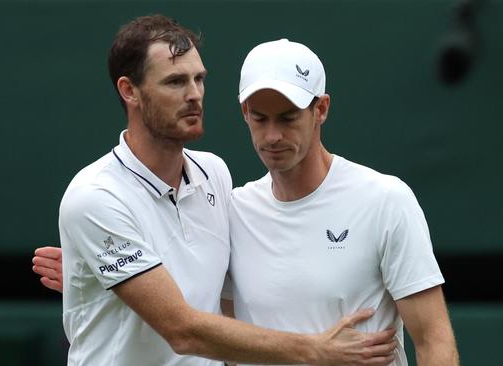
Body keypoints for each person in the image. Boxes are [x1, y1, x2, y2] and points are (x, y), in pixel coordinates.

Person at [41, 14, 398, 366]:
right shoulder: (95, 197)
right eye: (175, 82)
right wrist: (317, 349)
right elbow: (182, 330)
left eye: (199, 79)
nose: (195, 95)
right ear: (129, 91)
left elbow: (227, 275)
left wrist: (97, 272)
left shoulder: (214, 173)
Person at [225, 39, 459, 365]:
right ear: (244, 113)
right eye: (260, 119)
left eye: (288, 118)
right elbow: (222, 339)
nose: (272, 136)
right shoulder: (232, 211)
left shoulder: (384, 200)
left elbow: (435, 341)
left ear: (320, 109)